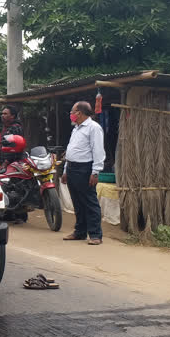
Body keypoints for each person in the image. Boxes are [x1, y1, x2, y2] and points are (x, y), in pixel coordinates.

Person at [61, 101, 105, 245]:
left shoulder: (93, 128)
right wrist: (66, 169)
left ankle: (95, 234)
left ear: (79, 113)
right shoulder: (76, 128)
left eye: (72, 112)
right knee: (77, 202)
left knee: (89, 202)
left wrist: (96, 172)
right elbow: (71, 150)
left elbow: (98, 150)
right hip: (72, 168)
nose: (71, 115)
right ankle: (80, 232)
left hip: (85, 169)